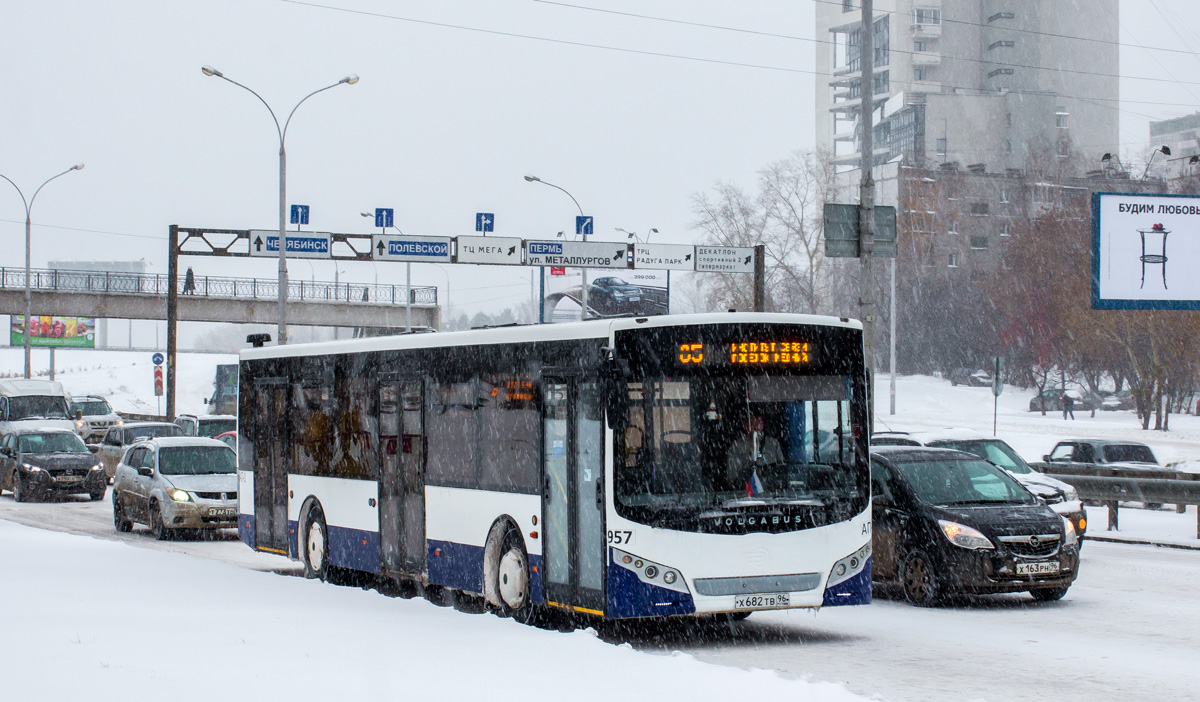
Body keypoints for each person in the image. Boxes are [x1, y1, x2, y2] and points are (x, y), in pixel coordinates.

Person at [726, 414, 784, 491]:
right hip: (746, 493)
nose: (757, 427)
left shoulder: (773, 444)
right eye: (753, 424)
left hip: (771, 492)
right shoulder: (737, 446)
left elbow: (782, 470)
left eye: (759, 423)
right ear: (745, 426)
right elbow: (732, 477)